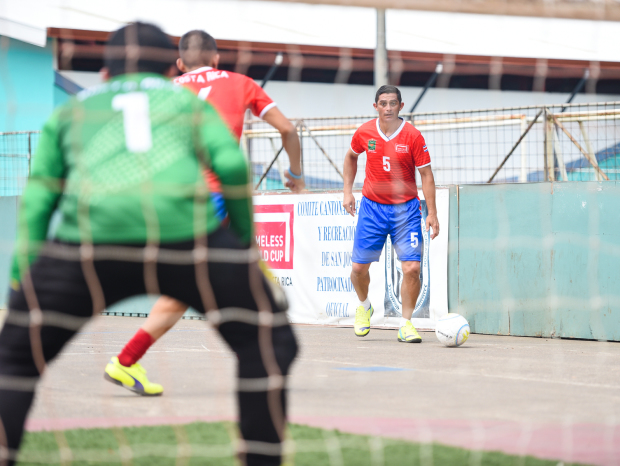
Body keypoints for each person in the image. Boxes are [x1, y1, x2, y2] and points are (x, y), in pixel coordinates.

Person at [0, 23, 296, 466]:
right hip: (186, 239)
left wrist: (23, 280)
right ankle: (260, 456)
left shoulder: (74, 110)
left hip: (90, 245)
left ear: (104, 73)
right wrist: (241, 246)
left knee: (15, 361)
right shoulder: (185, 102)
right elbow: (232, 167)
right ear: (167, 69)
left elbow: (40, 198)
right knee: (272, 343)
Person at [105, 29, 304, 396]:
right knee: (208, 285)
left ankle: (126, 361)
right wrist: (294, 174)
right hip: (216, 198)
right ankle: (266, 337)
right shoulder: (241, 82)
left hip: (171, 199)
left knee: (184, 289)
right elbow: (288, 129)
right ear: (216, 58)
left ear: (179, 63)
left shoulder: (165, 90)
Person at [342, 85, 439, 343]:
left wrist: (433, 213)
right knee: (358, 268)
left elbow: (426, 175)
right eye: (383, 103)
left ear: (401, 106)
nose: (388, 108)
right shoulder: (364, 132)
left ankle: (406, 324)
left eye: (392, 103)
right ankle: (364, 306)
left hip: (405, 210)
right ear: (376, 106)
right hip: (372, 208)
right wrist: (347, 192)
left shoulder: (413, 136)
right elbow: (351, 157)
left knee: (411, 269)